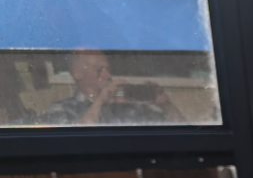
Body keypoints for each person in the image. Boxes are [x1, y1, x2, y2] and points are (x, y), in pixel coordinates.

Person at [42, 50, 184, 125]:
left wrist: (166, 105)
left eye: (108, 69)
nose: (108, 75)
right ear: (77, 73)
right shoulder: (63, 108)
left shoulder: (129, 105)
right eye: (99, 70)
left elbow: (182, 134)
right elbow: (71, 142)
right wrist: (100, 102)